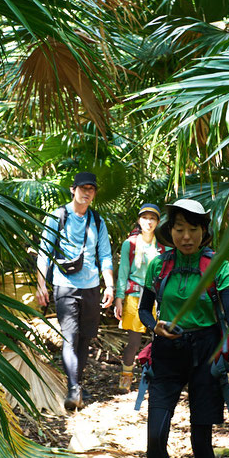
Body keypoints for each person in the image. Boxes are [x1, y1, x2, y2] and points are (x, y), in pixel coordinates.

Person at [136, 198, 229, 458]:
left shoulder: (218, 266)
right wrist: (154, 326)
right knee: (155, 436)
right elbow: (144, 310)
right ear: (170, 231)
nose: (186, 236)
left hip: (206, 354)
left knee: (201, 438)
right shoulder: (159, 265)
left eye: (193, 229)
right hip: (166, 351)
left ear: (204, 232)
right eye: (180, 229)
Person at [36, 172, 115, 411]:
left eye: (91, 189)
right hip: (64, 284)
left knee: (85, 337)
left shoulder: (97, 221)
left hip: (91, 286)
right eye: (83, 188)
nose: (87, 192)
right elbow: (44, 252)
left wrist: (109, 285)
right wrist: (42, 285)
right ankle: (73, 389)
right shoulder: (58, 216)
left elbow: (105, 255)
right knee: (70, 336)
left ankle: (77, 385)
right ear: (73, 189)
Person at [114, 203, 164, 391]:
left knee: (158, 340)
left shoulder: (162, 246)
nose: (148, 222)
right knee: (134, 341)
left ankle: (156, 379)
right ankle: (125, 379)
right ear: (139, 220)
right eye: (145, 218)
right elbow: (123, 272)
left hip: (157, 298)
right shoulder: (131, 243)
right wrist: (119, 298)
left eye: (152, 218)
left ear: (158, 222)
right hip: (135, 296)